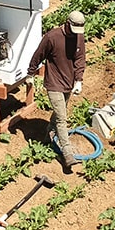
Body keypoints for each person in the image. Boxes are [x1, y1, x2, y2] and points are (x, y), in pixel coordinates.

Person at [26, 10, 86, 173]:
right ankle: (67, 155)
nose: (76, 35)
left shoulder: (79, 37)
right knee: (62, 118)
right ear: (68, 24)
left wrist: (78, 80)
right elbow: (38, 55)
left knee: (60, 113)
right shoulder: (52, 37)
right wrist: (30, 73)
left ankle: (48, 137)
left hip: (68, 83)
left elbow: (80, 59)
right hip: (53, 83)